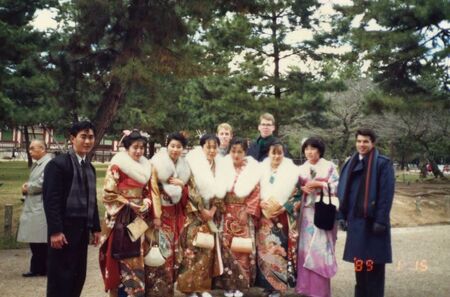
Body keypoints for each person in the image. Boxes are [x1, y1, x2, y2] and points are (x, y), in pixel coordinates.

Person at [43, 121, 101, 297]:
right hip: (63, 230)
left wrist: (96, 228)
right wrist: (55, 231)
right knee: (60, 277)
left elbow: (92, 199)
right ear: (72, 138)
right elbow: (50, 200)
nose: (87, 141)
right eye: (83, 137)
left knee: (77, 275)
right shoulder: (58, 165)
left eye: (90, 137)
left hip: (82, 230)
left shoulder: (89, 167)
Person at [337, 128, 395, 297]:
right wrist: (341, 215)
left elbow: (386, 194)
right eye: (359, 141)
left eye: (365, 141)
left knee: (374, 267)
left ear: (373, 143)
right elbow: (342, 192)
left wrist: (381, 221)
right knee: (360, 265)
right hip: (355, 222)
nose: (362, 145)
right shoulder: (350, 163)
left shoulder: (382, 163)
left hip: (374, 223)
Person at [99, 130, 154, 297]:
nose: (138, 151)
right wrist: (129, 203)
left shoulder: (146, 167)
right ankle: (121, 292)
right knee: (120, 254)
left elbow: (148, 191)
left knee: (137, 255)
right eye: (135, 147)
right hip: (121, 218)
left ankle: (136, 292)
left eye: (142, 148)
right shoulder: (117, 166)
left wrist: (146, 202)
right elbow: (108, 193)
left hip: (139, 218)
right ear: (127, 148)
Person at [177, 134, 226, 297]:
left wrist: (212, 210)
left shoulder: (220, 165)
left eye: (214, 147)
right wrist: (201, 210)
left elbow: (221, 191)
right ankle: (189, 288)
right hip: (194, 212)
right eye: (208, 147)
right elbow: (189, 188)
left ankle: (203, 287)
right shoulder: (192, 163)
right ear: (202, 147)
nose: (212, 150)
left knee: (207, 249)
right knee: (192, 249)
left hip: (210, 213)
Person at [214, 137, 261, 297]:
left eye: (239, 151)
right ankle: (228, 285)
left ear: (245, 152)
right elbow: (218, 190)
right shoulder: (223, 168)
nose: (236, 155)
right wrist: (219, 208)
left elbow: (256, 191)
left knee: (242, 249)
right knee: (226, 248)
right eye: (233, 151)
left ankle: (241, 285)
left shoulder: (251, 169)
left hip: (243, 213)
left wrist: (248, 211)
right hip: (226, 212)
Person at [147, 132, 191, 297]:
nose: (175, 149)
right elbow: (151, 190)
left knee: (173, 253)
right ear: (167, 146)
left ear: (183, 149)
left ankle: (168, 290)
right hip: (159, 213)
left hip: (175, 214)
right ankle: (155, 291)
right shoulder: (156, 164)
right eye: (172, 146)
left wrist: (182, 185)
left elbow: (189, 193)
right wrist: (156, 214)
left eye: (179, 147)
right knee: (158, 250)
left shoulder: (185, 167)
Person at [255, 139, 300, 297]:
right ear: (268, 153)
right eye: (273, 153)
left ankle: (278, 286)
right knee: (264, 250)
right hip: (264, 216)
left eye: (279, 153)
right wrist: (260, 202)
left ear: (284, 154)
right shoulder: (260, 170)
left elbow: (297, 195)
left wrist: (284, 207)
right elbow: (254, 190)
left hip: (282, 218)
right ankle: (266, 285)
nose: (276, 156)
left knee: (279, 251)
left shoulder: (292, 171)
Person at [295, 137, 340, 297]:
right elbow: (296, 190)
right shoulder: (301, 169)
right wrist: (302, 190)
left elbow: (336, 185)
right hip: (307, 213)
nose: (309, 152)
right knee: (305, 250)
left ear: (320, 150)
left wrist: (322, 184)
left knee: (320, 249)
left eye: (313, 148)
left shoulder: (329, 167)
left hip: (323, 212)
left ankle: (320, 290)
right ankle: (305, 288)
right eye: (306, 149)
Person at [17, 139, 52, 277]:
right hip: (34, 204)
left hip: (40, 205)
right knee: (36, 240)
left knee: (40, 240)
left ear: (42, 149)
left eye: (33, 148)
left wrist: (27, 187)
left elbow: (42, 183)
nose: (30, 151)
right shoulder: (39, 163)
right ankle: (38, 267)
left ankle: (41, 268)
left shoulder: (48, 163)